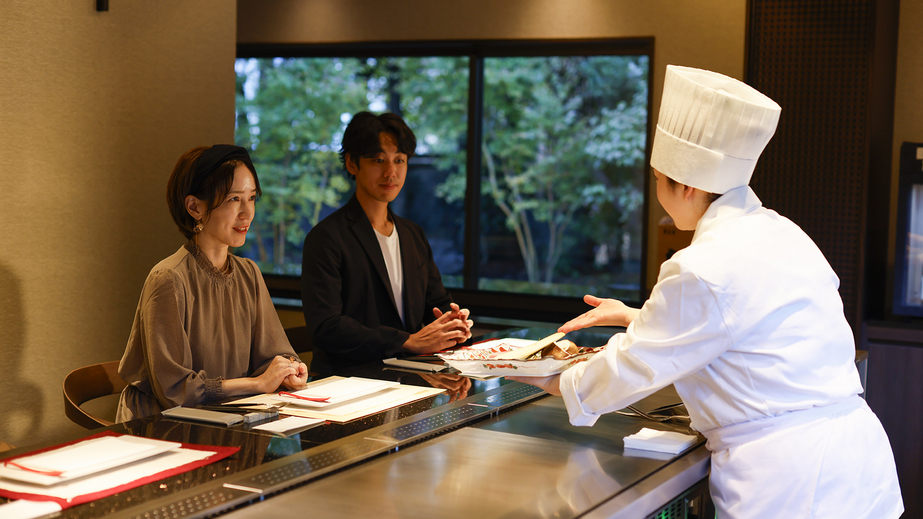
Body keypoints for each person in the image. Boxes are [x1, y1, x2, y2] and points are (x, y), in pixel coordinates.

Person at [512, 66, 903, 518]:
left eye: (658, 178)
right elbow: (742, 329)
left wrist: (555, 379)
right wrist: (633, 315)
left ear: (688, 184)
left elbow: (632, 367)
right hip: (856, 459)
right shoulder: (783, 231)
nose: (656, 189)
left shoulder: (701, 266)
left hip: (788, 479)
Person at [116, 145, 308, 422]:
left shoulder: (249, 273)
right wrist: (256, 384)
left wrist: (290, 370)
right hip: (165, 429)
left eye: (252, 198)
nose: (247, 213)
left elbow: (275, 354)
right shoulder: (168, 279)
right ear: (195, 207)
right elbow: (175, 391)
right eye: (233, 199)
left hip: (234, 417)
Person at [301, 112, 473, 370]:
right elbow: (327, 327)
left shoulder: (412, 234)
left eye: (399, 160)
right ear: (351, 164)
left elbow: (435, 305)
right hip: (349, 381)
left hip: (412, 378)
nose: (390, 172)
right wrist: (407, 341)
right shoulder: (326, 237)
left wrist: (453, 322)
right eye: (378, 160)